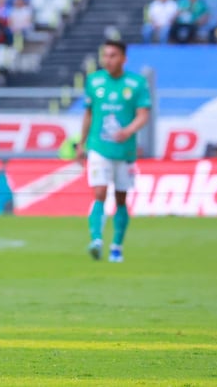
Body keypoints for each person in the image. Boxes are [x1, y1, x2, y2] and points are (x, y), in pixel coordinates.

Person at [77, 40, 151, 264]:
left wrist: (128, 131)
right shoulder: (94, 81)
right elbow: (89, 114)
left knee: (121, 199)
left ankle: (116, 246)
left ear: (123, 58)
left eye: (113, 56)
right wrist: (81, 143)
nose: (108, 60)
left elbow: (143, 114)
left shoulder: (136, 84)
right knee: (99, 192)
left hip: (125, 151)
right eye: (105, 56)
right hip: (99, 147)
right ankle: (96, 240)